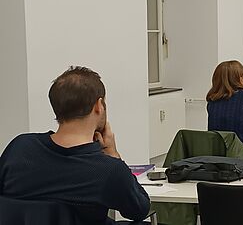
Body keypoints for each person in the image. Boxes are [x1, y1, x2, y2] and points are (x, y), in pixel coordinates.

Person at [0, 66, 151, 224]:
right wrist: (113, 154)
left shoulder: (20, 148)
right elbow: (139, 209)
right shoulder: (108, 170)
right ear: (98, 106)